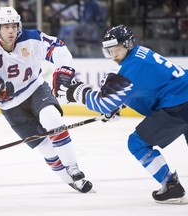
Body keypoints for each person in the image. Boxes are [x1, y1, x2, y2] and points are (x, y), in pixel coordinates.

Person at [52, 24, 188, 204]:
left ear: (128, 45)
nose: (114, 55)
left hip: (179, 104)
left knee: (137, 143)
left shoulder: (130, 67)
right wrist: (118, 104)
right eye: (109, 51)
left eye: (117, 50)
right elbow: (144, 89)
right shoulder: (141, 53)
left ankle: (171, 186)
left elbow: (103, 103)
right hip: (182, 96)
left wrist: (76, 92)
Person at [0, 6, 92, 193]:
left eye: (14, 26)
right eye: (5, 26)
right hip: (10, 107)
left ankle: (73, 167)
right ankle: (73, 181)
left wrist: (64, 68)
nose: (11, 30)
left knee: (53, 119)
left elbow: (58, 47)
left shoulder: (31, 38)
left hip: (35, 90)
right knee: (46, 149)